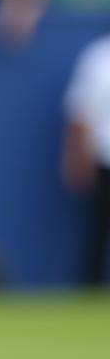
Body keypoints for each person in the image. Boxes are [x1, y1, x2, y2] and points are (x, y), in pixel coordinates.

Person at [63, 33, 110, 285]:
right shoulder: (100, 57)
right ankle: (90, 289)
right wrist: (77, 157)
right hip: (105, 160)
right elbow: (81, 113)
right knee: (99, 231)